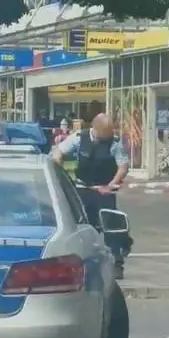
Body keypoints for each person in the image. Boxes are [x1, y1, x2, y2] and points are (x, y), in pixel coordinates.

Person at [52, 113, 132, 279]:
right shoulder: (79, 138)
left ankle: (117, 261)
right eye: (104, 135)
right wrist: (63, 177)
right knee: (84, 226)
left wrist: (111, 185)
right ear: (95, 129)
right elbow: (58, 153)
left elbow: (123, 166)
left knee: (111, 226)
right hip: (83, 188)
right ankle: (85, 262)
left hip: (105, 190)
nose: (106, 139)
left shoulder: (115, 142)